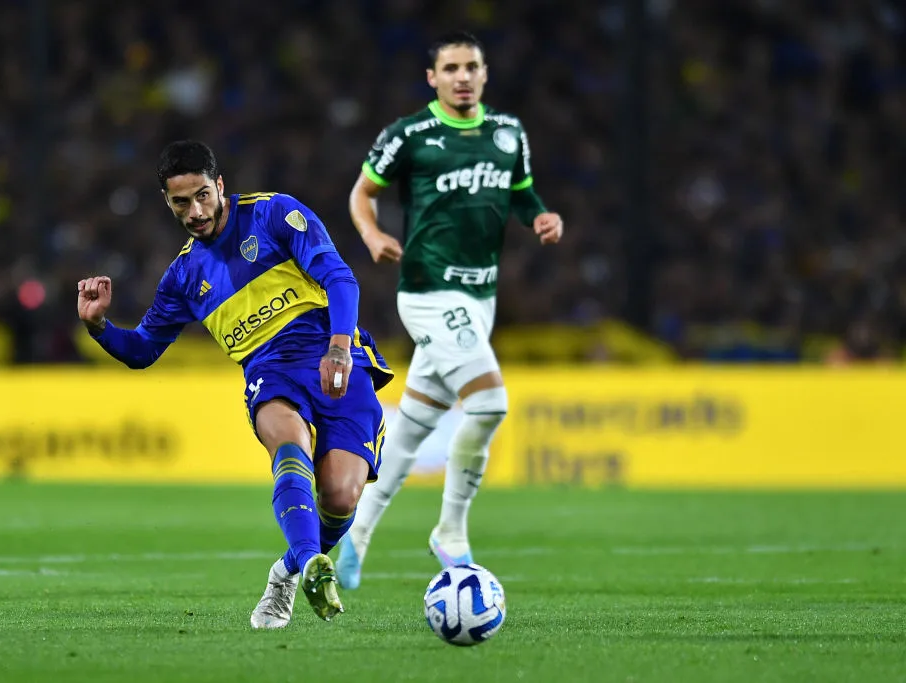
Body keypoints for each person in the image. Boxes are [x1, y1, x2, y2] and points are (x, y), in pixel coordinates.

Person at [77, 140, 393, 627]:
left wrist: (336, 347)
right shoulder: (183, 277)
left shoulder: (273, 215)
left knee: (340, 497)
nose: (195, 211)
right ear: (167, 202)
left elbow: (340, 278)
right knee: (287, 442)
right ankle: (312, 563)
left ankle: (286, 572)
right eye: (180, 202)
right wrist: (100, 326)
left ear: (219, 185)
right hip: (270, 370)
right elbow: (142, 350)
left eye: (202, 195)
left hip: (336, 354)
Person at [336, 31, 562, 589]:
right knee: (488, 405)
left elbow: (521, 192)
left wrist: (540, 216)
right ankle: (451, 532)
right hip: (427, 293)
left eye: (472, 67)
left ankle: (356, 534)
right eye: (452, 68)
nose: (463, 76)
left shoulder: (509, 134)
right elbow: (361, 192)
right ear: (432, 78)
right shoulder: (411, 135)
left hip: (480, 298)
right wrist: (370, 233)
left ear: (485, 74)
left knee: (411, 430)